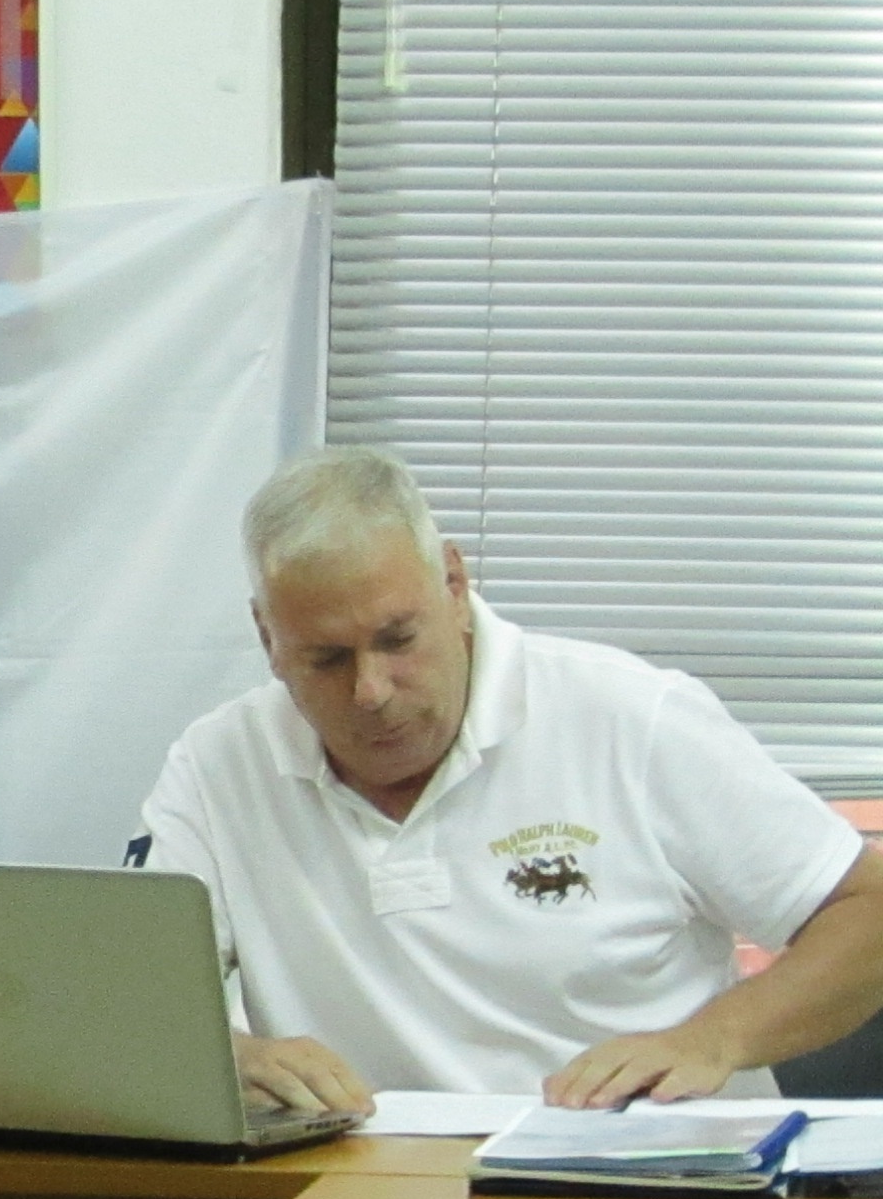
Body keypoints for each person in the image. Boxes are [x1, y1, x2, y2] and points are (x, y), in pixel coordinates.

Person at [135, 446, 883, 1110]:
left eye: (398, 639)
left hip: (645, 1175)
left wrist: (711, 1041)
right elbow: (128, 998)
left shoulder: (630, 721)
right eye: (326, 659)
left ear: (454, 585)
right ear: (267, 637)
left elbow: (867, 908)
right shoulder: (218, 765)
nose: (371, 690)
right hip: (366, 1182)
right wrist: (228, 1059)